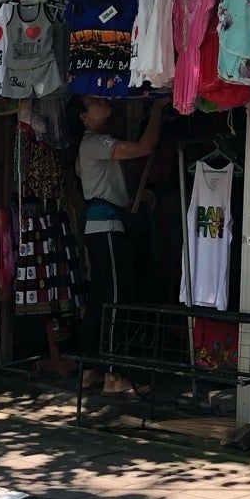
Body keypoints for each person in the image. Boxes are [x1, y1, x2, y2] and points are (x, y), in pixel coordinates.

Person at [75, 94, 168, 391]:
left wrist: (131, 199)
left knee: (100, 298)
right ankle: (114, 375)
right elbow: (145, 147)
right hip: (106, 227)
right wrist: (156, 110)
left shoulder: (94, 146)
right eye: (94, 102)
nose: (103, 103)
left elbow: (105, 188)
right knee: (116, 297)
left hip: (101, 224)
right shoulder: (93, 144)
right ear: (84, 117)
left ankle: (90, 368)